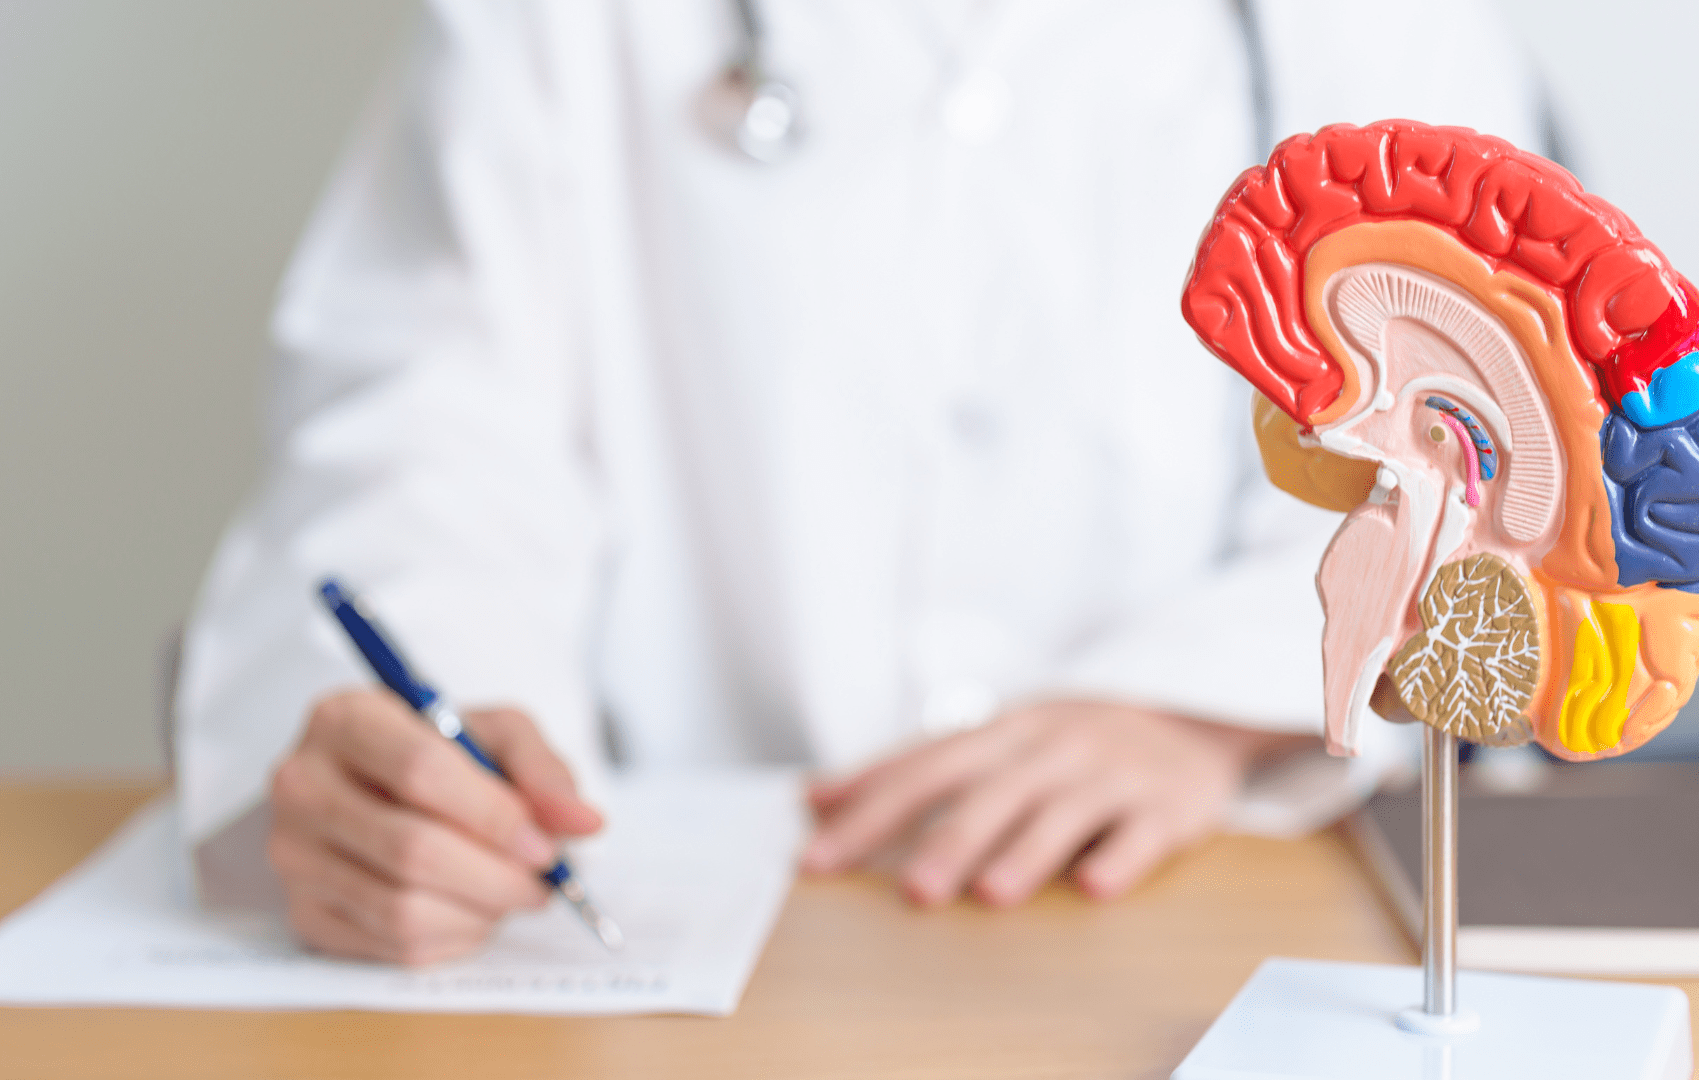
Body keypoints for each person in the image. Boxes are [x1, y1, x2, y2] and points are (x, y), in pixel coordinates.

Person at [176, 0, 1541, 964]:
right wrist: (435, 739)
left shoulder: (1387, 19)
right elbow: (434, 421)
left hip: (1205, 899)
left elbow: (1490, 451)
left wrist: (1200, 710)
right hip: (682, 896)